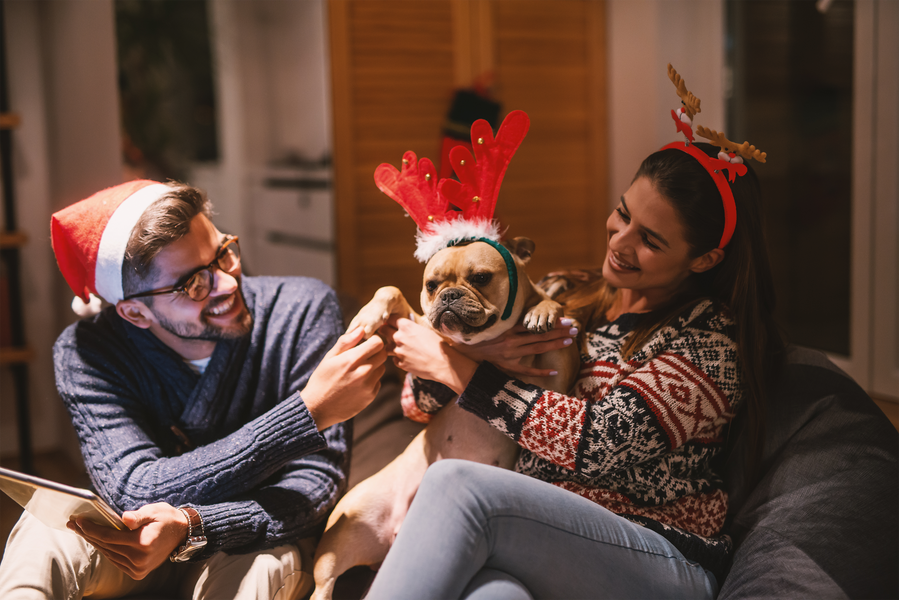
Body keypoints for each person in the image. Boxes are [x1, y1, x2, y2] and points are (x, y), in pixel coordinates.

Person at [367, 140, 783, 600]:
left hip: (657, 554)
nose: (620, 242)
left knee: (456, 486)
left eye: (649, 239)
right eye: (623, 214)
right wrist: (456, 358)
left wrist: (456, 368)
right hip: (539, 536)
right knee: (492, 595)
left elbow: (597, 444)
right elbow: (420, 404)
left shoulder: (710, 341)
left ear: (703, 259)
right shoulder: (562, 289)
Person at [0, 180, 387, 600]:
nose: (226, 284)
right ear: (135, 312)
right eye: (193, 285)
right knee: (44, 531)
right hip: (134, 542)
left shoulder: (302, 311)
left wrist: (194, 526)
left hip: (249, 532)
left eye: (223, 254)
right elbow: (134, 489)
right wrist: (305, 414)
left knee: (266, 568)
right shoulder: (88, 352)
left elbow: (316, 483)